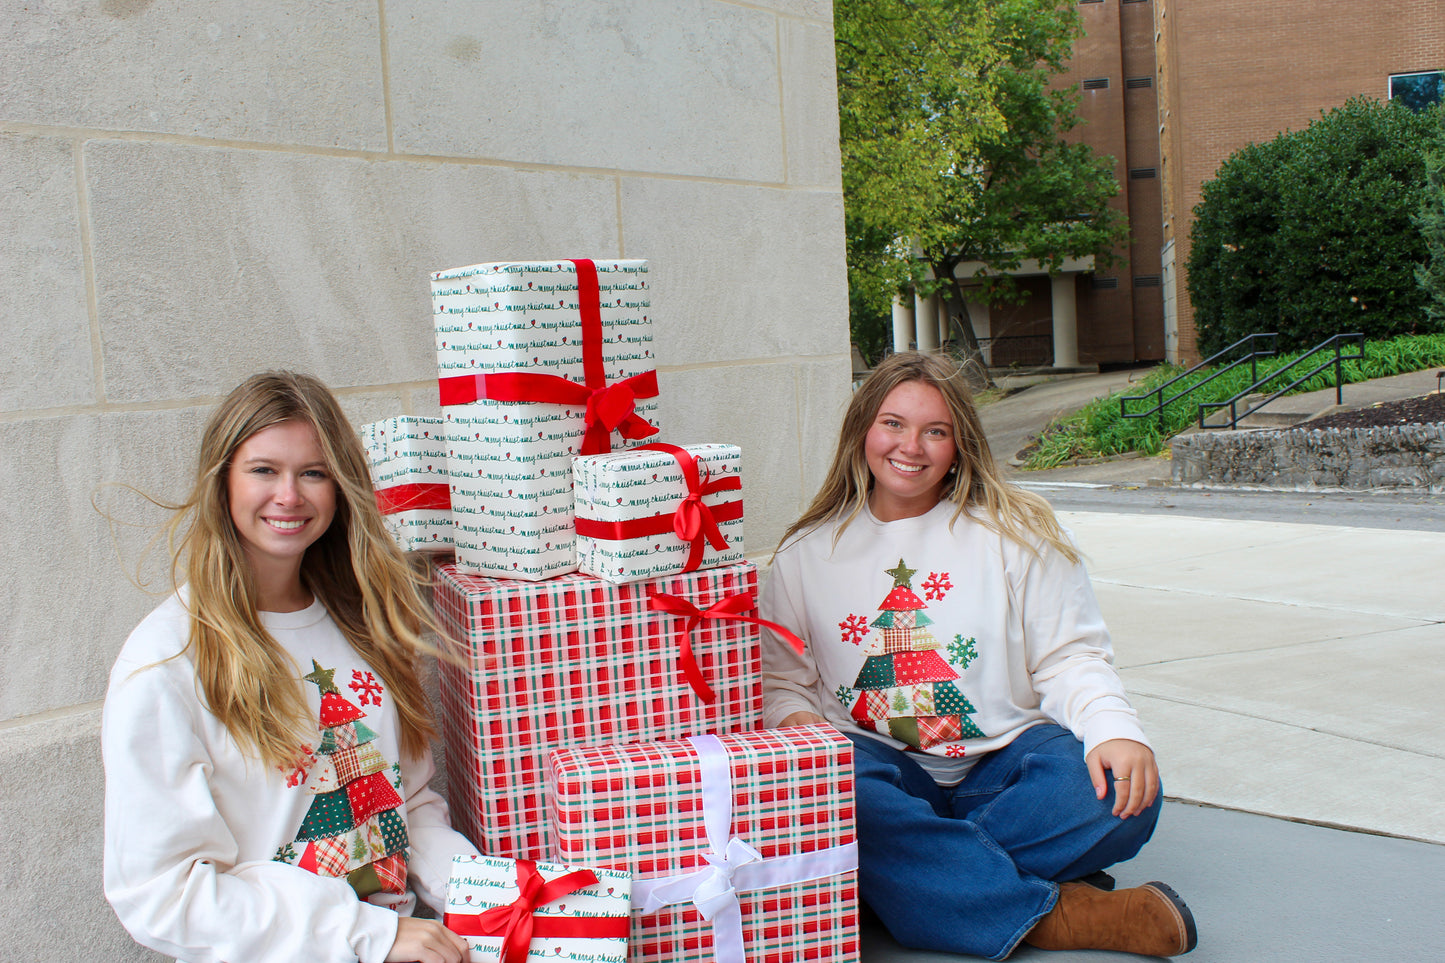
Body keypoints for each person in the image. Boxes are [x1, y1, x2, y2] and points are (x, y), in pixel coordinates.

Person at [760, 351, 1197, 960]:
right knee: (836, 787)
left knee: (1121, 797)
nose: (911, 446)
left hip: (1005, 769)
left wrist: (1114, 731)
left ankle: (906, 888)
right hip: (882, 772)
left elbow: (1070, 657)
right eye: (893, 424)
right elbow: (785, 688)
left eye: (935, 431)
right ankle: (1057, 914)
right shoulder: (804, 554)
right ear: (861, 429)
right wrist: (808, 740)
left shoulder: (1018, 532)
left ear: (960, 443)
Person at [102, 371, 477, 963]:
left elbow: (408, 806)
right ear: (221, 480)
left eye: (313, 472)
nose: (290, 495)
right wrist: (366, 934)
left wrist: (486, 897)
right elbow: (161, 896)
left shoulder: (363, 622)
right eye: (263, 470)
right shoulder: (166, 661)